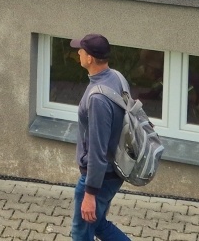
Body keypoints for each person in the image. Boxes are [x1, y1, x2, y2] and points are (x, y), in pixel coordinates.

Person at [68, 33, 132, 241]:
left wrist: (90, 193)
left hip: (99, 177)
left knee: (81, 234)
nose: (78, 52)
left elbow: (97, 150)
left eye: (81, 50)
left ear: (90, 58)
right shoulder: (117, 77)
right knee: (98, 224)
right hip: (112, 172)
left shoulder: (97, 98)